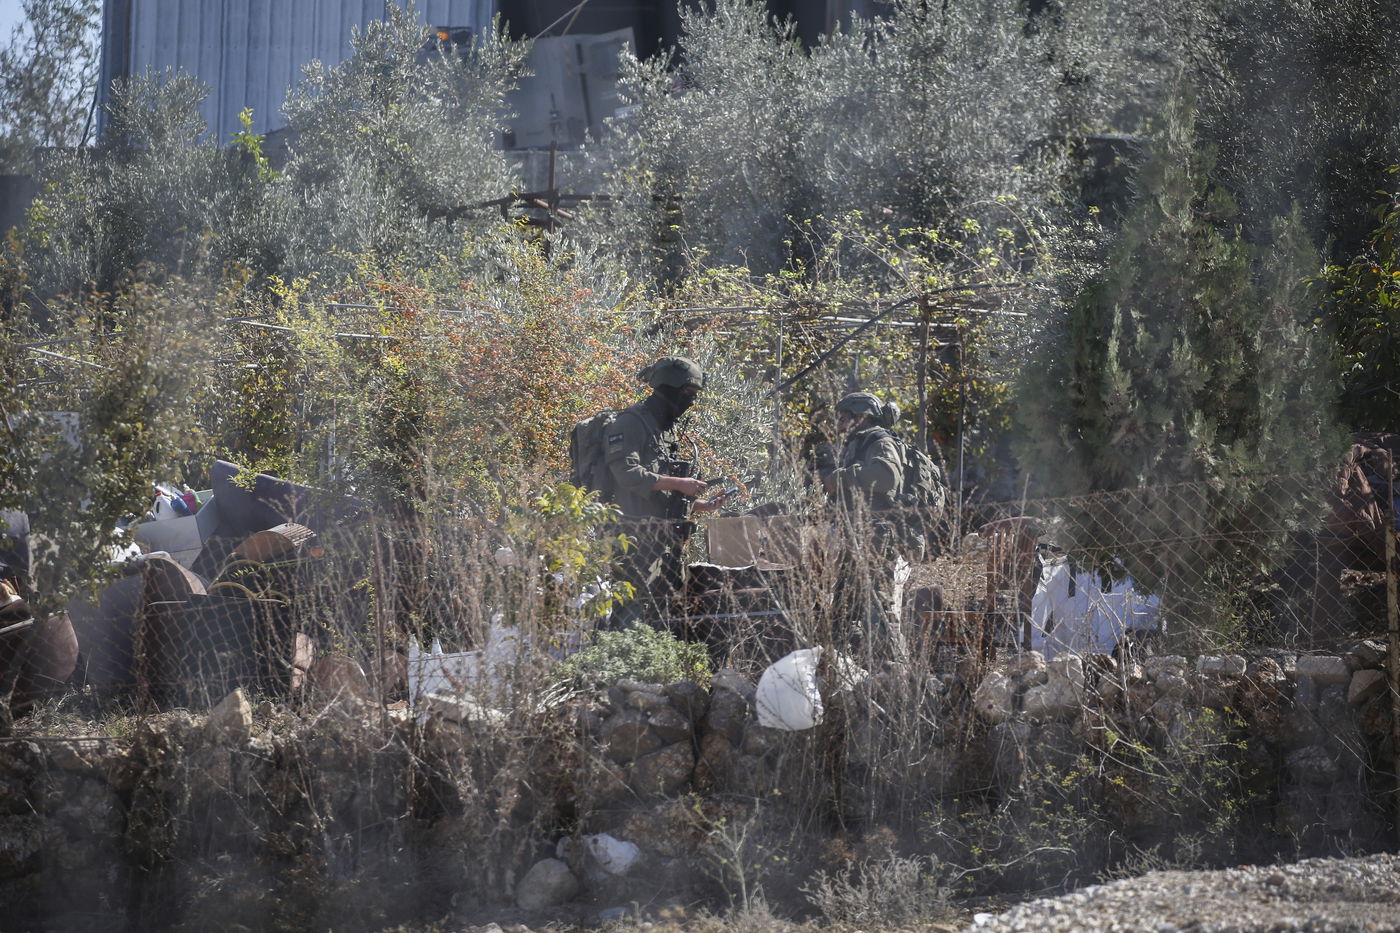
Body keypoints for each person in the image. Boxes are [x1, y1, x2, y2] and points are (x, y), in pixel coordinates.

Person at [605, 356, 726, 626]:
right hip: (634, 536)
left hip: (664, 539)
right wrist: (679, 484)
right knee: (631, 611)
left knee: (667, 612)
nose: (692, 401)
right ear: (669, 388)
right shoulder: (631, 423)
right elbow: (627, 473)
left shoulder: (663, 429)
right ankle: (616, 663)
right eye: (688, 393)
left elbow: (659, 492)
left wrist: (699, 505)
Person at [823, 391, 911, 659]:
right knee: (843, 607)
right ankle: (836, 666)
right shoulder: (859, 443)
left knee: (877, 609)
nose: (837, 424)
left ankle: (894, 671)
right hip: (857, 536)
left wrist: (841, 477)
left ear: (859, 417)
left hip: (874, 537)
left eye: (843, 417)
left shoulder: (879, 440)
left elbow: (886, 478)